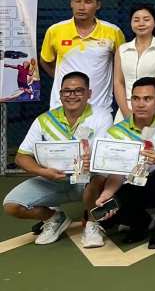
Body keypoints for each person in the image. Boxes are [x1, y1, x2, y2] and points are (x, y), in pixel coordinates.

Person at [3, 71, 112, 245]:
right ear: (60, 95)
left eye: (78, 91)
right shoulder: (44, 120)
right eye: (67, 91)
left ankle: (92, 223)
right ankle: (54, 218)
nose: (72, 95)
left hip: (87, 180)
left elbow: (105, 155)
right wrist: (43, 172)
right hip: (53, 180)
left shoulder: (101, 116)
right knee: (12, 205)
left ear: (89, 94)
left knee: (98, 178)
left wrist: (90, 162)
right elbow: (21, 157)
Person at [93, 77, 155, 248]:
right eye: (136, 98)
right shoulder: (116, 132)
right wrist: (106, 194)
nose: (141, 104)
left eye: (147, 99)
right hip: (131, 183)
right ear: (131, 101)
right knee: (110, 211)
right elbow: (116, 174)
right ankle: (140, 222)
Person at [40, 0, 125, 114]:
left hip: (99, 109)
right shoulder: (55, 30)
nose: (81, 7)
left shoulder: (113, 32)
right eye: (77, 1)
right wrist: (64, 79)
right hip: (60, 108)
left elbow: (123, 65)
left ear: (98, 5)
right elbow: (45, 60)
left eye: (88, 2)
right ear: (71, 3)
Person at [113, 4, 155, 122]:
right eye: (136, 20)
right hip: (126, 109)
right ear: (130, 23)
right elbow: (118, 82)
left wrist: (150, 111)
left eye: (146, 19)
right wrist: (126, 112)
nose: (141, 23)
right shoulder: (122, 50)